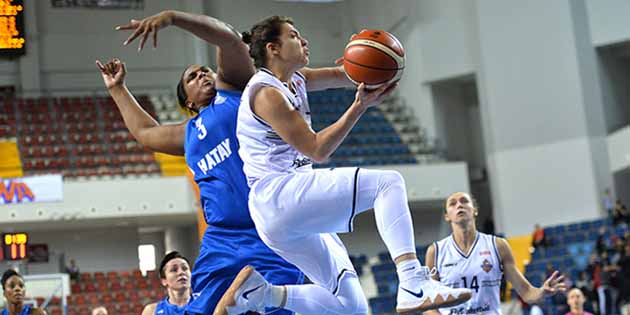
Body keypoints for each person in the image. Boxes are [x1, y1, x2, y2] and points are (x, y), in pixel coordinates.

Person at [215, 16, 472, 315]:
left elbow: (346, 76)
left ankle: (262, 295)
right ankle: (412, 282)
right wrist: (359, 106)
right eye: (295, 36)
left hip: (282, 214)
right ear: (273, 48)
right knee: (387, 184)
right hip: (279, 195)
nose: (304, 41)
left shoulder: (297, 79)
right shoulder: (266, 93)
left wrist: (366, 60)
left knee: (352, 308)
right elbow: (317, 149)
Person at [98, 10, 303, 315]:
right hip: (222, 237)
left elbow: (229, 40)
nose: (203, 75)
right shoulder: (188, 134)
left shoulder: (238, 93)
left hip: (268, 227)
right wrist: (117, 89)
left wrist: (172, 17)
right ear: (188, 102)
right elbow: (144, 132)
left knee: (277, 308)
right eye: (192, 77)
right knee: (200, 311)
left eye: (205, 71)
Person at [423, 192, 565, 315]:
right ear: (447, 216)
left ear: (475, 210)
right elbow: (429, 305)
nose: (459, 205)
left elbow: (527, 292)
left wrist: (542, 292)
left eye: (464, 201)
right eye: (452, 204)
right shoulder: (436, 251)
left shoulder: (498, 245)